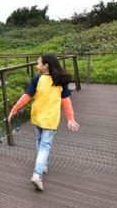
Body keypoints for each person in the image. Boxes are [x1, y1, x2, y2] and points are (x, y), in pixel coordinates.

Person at [8, 54, 80, 191]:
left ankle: (43, 165)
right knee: (45, 145)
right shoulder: (60, 81)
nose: (36, 66)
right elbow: (66, 101)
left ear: (46, 65)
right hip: (50, 119)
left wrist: (15, 109)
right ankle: (37, 174)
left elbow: (26, 97)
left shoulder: (37, 79)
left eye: (38, 63)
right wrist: (70, 118)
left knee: (40, 141)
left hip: (37, 117)